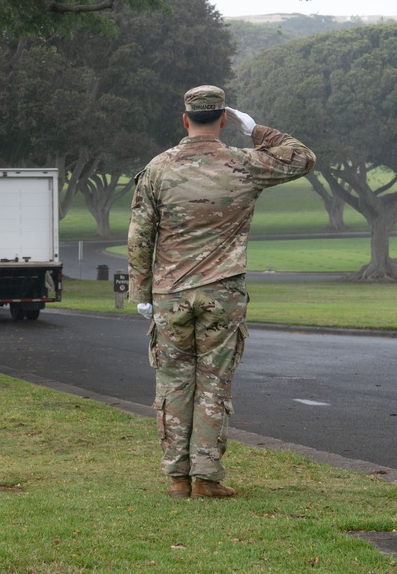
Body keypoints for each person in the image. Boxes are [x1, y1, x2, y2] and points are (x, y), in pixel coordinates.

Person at [126, 85, 316, 500]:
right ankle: (206, 478)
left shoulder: (158, 168)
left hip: (170, 295)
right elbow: (302, 157)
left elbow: (140, 235)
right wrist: (260, 131)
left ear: (185, 119)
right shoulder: (245, 163)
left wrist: (141, 291)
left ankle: (177, 478)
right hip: (222, 293)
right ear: (224, 118)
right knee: (214, 384)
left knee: (174, 383)